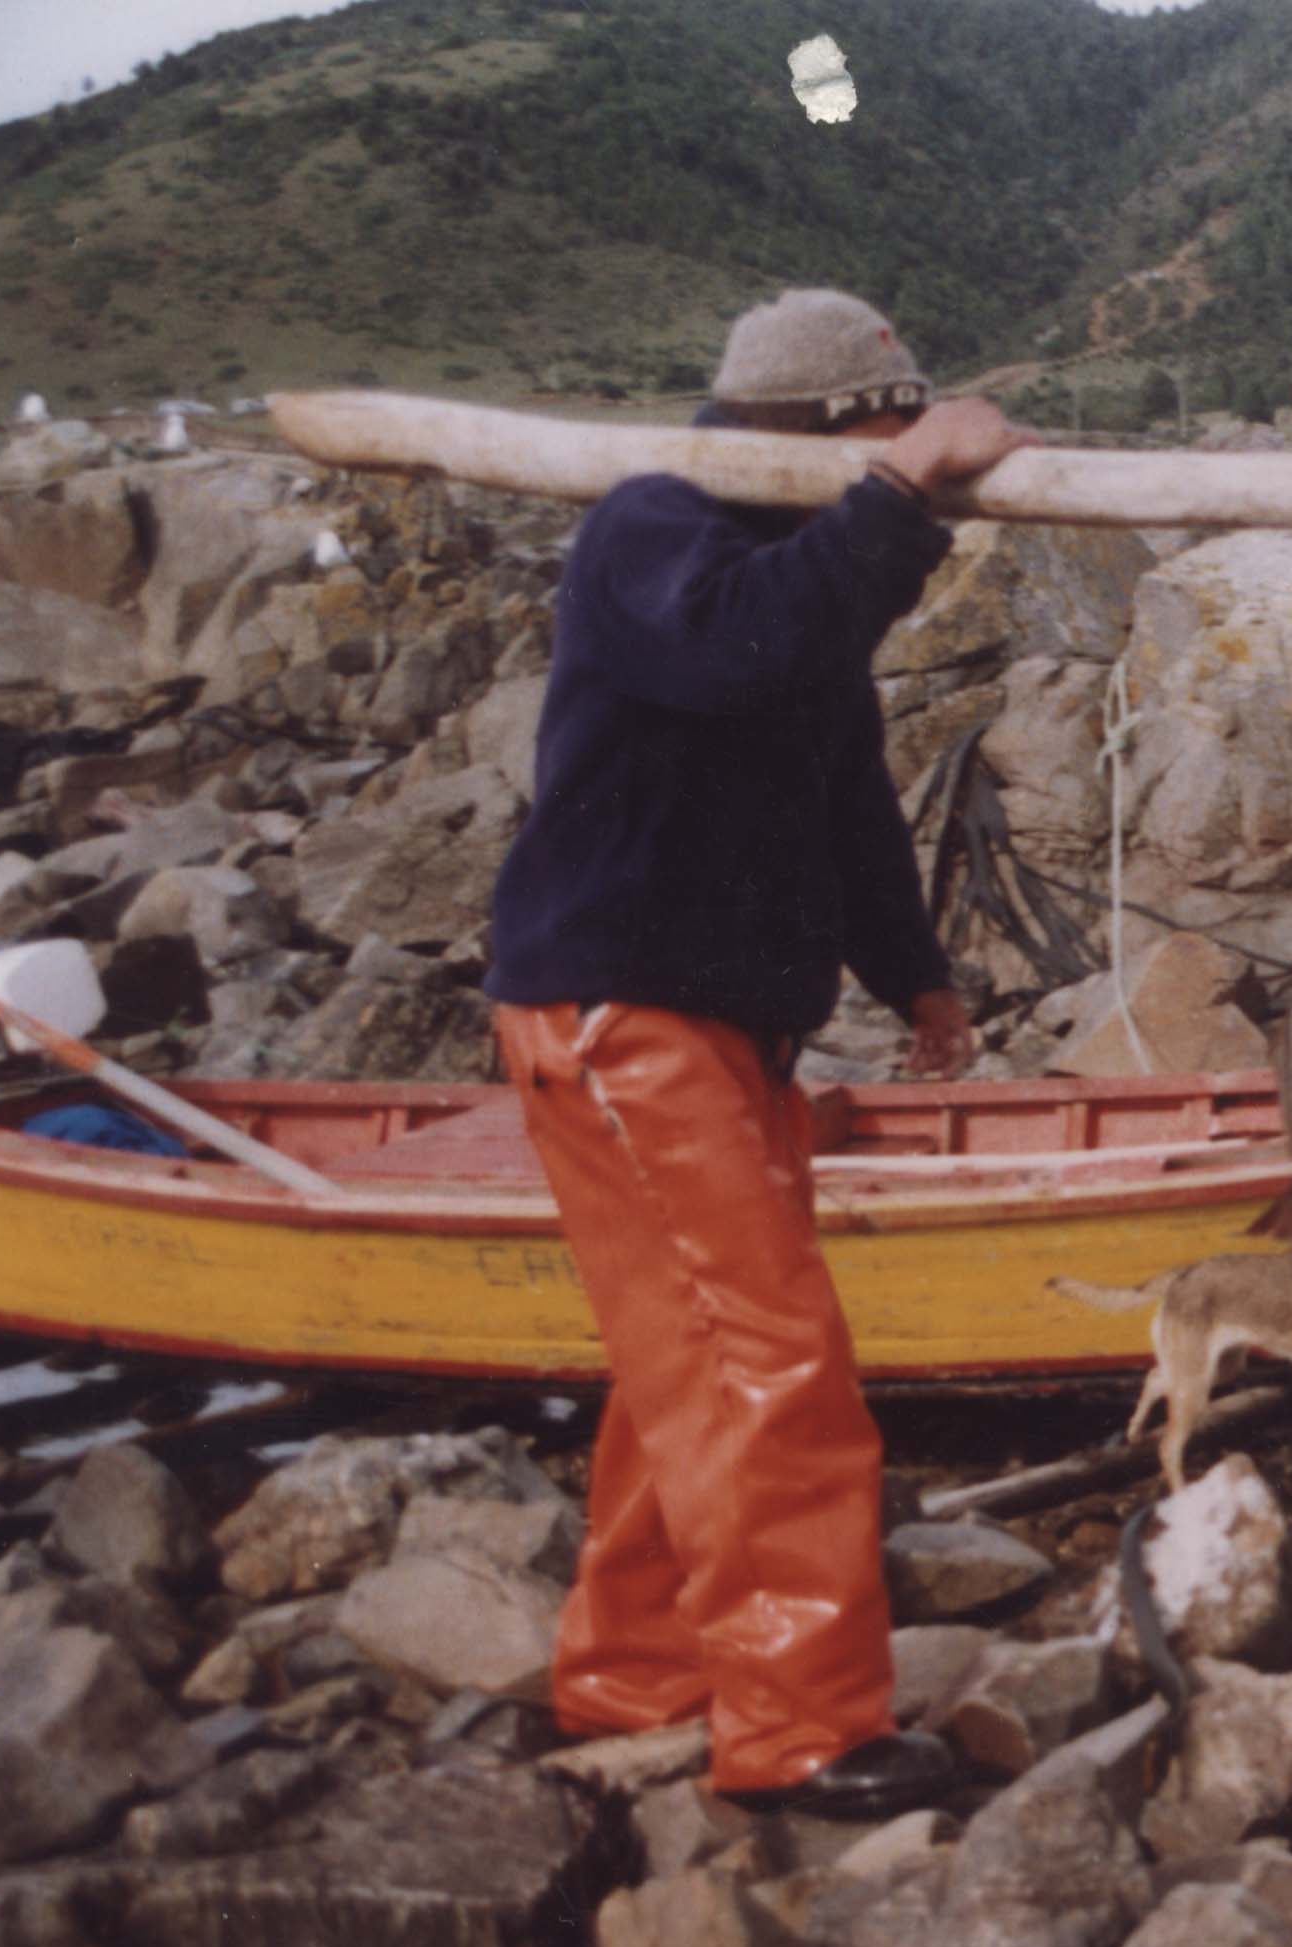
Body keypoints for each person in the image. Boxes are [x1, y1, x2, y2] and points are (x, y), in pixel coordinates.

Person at [484, 289, 1037, 1819]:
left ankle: (634, 1677)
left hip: (711, 1022)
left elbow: (848, 792)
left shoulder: (794, 578)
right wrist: (903, 494)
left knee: (697, 1354)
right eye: (883, 434)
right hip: (623, 1012)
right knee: (760, 1362)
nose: (898, 459)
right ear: (821, 435)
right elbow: (741, 653)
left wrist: (916, 977)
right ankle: (800, 1728)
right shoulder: (655, 532)